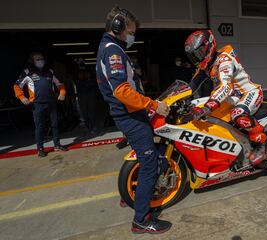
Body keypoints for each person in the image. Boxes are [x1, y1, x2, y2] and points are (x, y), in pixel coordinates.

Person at [96, 6, 171, 234]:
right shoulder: (113, 52)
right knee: (149, 165)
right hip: (130, 116)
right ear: (118, 27)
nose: (132, 35)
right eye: (131, 30)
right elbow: (121, 91)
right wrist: (153, 104)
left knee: (150, 153)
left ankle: (132, 196)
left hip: (130, 114)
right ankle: (141, 219)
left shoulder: (110, 48)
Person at [185, 30, 267, 165]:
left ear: (209, 46)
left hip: (248, 93)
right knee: (204, 111)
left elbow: (225, 87)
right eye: (194, 56)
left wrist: (208, 106)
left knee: (238, 114)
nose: (198, 58)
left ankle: (262, 143)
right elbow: (192, 85)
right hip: (233, 98)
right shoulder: (207, 65)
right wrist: (179, 98)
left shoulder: (224, 60)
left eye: (199, 53)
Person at [13, 52, 68, 157]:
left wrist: (62, 92)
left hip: (51, 103)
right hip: (37, 104)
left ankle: (57, 145)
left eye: (41, 58)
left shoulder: (50, 71)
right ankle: (40, 149)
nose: (40, 60)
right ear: (32, 61)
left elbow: (59, 83)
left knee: (55, 124)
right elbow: (17, 86)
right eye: (37, 59)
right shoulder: (27, 72)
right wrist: (21, 97)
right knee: (40, 127)